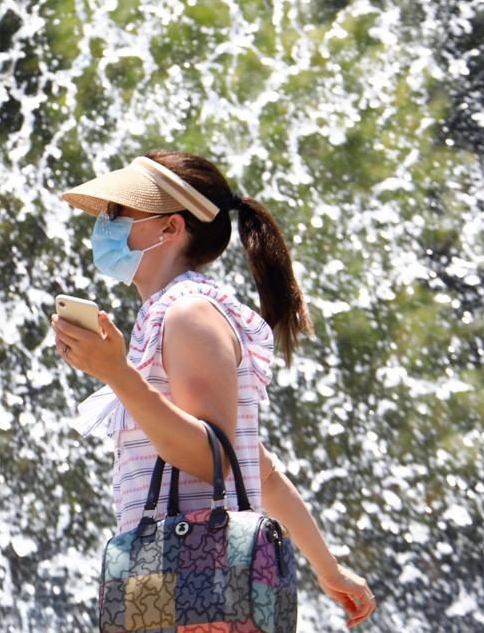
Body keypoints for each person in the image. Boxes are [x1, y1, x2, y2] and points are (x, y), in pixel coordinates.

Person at [50, 149, 377, 629]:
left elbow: (213, 456)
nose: (106, 223)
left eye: (120, 212)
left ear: (170, 228)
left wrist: (117, 373)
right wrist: (328, 568)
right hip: (181, 591)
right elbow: (256, 469)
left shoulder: (189, 313)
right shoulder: (170, 314)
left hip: (199, 591)